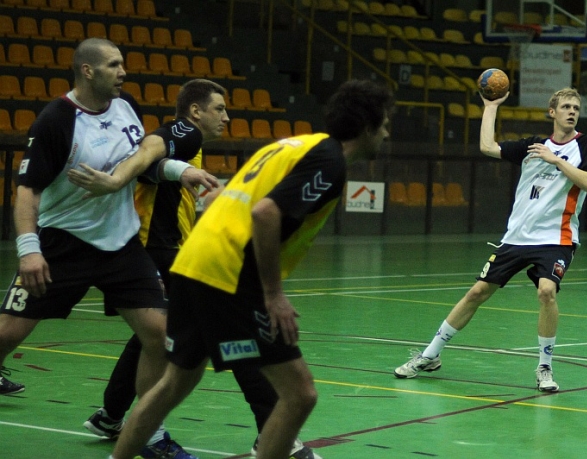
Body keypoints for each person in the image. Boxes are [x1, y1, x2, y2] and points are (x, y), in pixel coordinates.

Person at [109, 79, 395, 459]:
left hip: (193, 261)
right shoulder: (328, 162)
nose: (387, 133)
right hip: (230, 274)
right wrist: (272, 294)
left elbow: (241, 198)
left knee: (174, 383)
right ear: (366, 127)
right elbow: (266, 213)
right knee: (300, 394)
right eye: (385, 124)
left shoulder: (296, 144)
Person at [69, 78, 321, 459]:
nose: (227, 117)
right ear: (196, 111)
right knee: (234, 328)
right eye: (219, 109)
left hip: (170, 251)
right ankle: (271, 430)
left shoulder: (194, 146)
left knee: (151, 336)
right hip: (157, 251)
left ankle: (111, 415)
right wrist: (128, 172)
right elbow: (152, 144)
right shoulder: (185, 132)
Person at [0, 38, 216, 459]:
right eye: (115, 65)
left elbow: (140, 160)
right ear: (87, 71)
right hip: (63, 245)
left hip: (121, 245)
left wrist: (180, 169)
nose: (123, 72)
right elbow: (27, 191)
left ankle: (150, 434)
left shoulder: (125, 104)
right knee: (7, 333)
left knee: (159, 334)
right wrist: (29, 250)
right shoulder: (55, 120)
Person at [394, 87, 587, 392]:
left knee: (547, 291)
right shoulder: (532, 145)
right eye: (566, 106)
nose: (572, 111)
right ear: (552, 112)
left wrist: (556, 160)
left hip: (557, 238)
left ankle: (544, 367)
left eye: (576, 107)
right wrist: (490, 106)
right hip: (516, 237)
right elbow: (487, 146)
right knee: (477, 293)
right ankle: (430, 355)